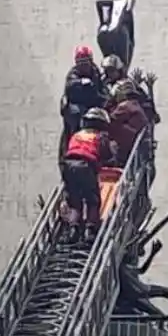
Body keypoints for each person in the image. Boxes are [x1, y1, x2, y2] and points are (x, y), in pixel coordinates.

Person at [61, 107, 115, 243]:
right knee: (93, 200)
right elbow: (107, 154)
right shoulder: (100, 136)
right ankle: (90, 230)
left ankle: (73, 229)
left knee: (74, 200)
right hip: (85, 166)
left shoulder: (77, 135)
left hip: (68, 165)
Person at [61, 45, 106, 157]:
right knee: (75, 115)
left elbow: (101, 88)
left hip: (92, 102)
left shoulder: (95, 72)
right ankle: (72, 141)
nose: (83, 66)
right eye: (80, 63)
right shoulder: (73, 74)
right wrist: (80, 82)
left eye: (86, 62)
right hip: (77, 105)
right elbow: (69, 85)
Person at [105, 78, 149, 167]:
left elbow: (109, 120)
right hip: (137, 144)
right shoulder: (135, 104)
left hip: (128, 143)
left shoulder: (124, 106)